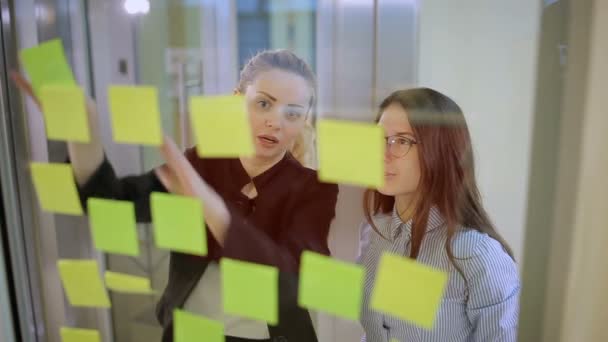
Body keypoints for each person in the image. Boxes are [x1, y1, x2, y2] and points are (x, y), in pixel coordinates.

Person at [14, 49, 338, 342]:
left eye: (292, 113)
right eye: (264, 103)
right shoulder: (201, 163)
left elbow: (295, 281)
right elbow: (109, 203)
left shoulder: (314, 188)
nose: (275, 122)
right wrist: (82, 131)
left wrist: (211, 207)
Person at [358, 88, 520, 342]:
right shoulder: (373, 235)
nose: (383, 153)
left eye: (401, 141)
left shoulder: (477, 255)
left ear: (440, 151)